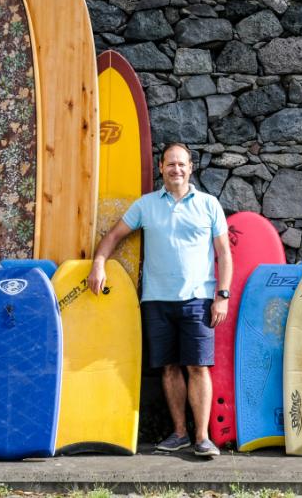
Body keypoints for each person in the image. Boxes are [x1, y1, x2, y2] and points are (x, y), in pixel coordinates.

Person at [88, 142, 232, 457]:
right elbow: (113, 236)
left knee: (197, 366)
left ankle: (202, 437)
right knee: (168, 368)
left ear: (191, 167)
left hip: (198, 300)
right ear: (161, 168)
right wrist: (98, 264)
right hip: (156, 301)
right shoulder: (146, 205)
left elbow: (224, 252)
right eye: (170, 164)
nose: (176, 169)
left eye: (181, 164)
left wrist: (222, 295)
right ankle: (179, 433)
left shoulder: (209, 204)